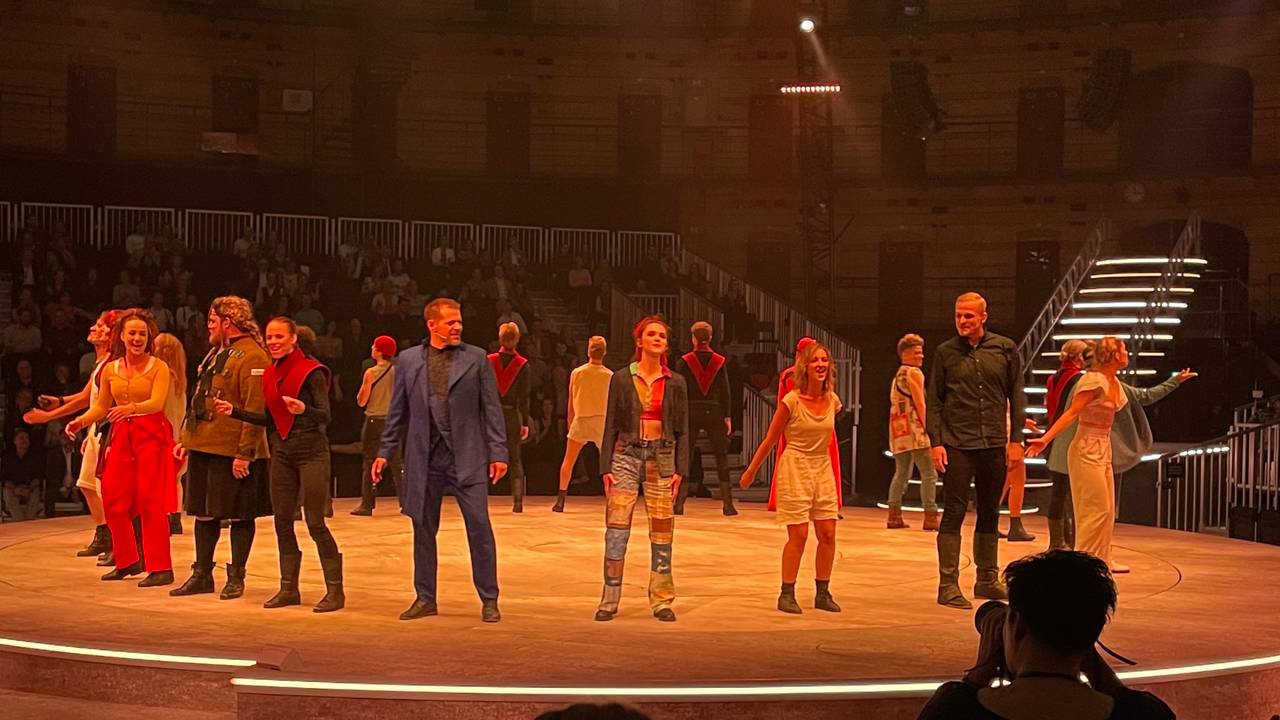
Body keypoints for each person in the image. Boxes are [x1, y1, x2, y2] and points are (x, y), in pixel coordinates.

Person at [373, 297, 508, 623]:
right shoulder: (407, 361)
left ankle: (489, 599)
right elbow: (397, 412)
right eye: (450, 322)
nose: (457, 326)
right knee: (422, 529)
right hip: (425, 458)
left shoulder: (476, 359)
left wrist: (498, 452)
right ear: (431, 325)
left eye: (459, 321)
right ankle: (425, 597)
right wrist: (384, 452)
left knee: (479, 528)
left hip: (468, 457)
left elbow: (492, 408)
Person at [917, 550, 1174, 720]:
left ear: (1016, 625)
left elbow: (951, 708)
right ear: (1092, 635)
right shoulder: (1143, 715)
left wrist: (978, 673)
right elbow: (1137, 708)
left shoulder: (955, 710)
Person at [213, 317, 344, 613]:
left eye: (278, 337)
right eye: (269, 337)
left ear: (293, 339)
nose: (272, 342)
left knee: (314, 523)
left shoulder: (312, 372)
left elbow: (325, 416)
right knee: (282, 521)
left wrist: (304, 409)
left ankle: (335, 592)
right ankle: (289, 589)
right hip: (282, 452)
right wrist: (234, 411)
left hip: (311, 451)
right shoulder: (270, 373)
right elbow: (270, 419)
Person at [169, 297, 273, 601]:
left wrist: (245, 453)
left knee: (241, 515)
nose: (208, 328)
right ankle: (202, 574)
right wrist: (187, 441)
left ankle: (236, 576)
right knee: (202, 513)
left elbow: (254, 407)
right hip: (205, 445)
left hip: (232, 451)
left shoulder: (253, 356)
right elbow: (201, 398)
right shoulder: (219, 352)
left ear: (227, 322)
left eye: (212, 322)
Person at [65, 309, 177, 587]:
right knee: (113, 500)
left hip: (151, 435)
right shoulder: (111, 369)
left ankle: (161, 567)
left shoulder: (159, 367)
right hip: (121, 437)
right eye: (132, 333)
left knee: (152, 503)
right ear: (122, 337)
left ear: (149, 336)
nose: (137, 338)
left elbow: (156, 403)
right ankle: (128, 560)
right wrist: (80, 422)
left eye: (142, 333)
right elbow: (101, 406)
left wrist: (130, 408)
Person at [927, 292, 1025, 610]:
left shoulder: (1005, 348)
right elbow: (935, 401)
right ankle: (948, 584)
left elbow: (1017, 395)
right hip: (957, 444)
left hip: (994, 443)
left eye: (969, 316)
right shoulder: (945, 353)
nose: (962, 321)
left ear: (983, 317)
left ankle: (986, 579)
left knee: (990, 511)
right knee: (954, 512)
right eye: (958, 315)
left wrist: (1015, 440)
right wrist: (936, 442)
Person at [595, 316, 689, 623]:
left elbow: (684, 429)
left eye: (662, 335)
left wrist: (680, 469)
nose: (658, 338)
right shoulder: (622, 378)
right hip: (625, 455)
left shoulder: (675, 381)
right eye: (651, 334)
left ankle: (661, 600)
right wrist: (605, 465)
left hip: (662, 456)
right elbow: (610, 422)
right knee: (617, 531)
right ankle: (610, 599)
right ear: (640, 341)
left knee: (662, 532)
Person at [741, 340, 842, 615]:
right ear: (805, 367)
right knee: (799, 534)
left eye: (824, 360)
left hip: (822, 467)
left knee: (828, 533)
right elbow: (771, 438)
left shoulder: (833, 400)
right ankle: (787, 592)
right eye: (815, 360)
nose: (820, 364)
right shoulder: (792, 400)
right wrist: (751, 471)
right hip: (795, 466)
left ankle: (823, 591)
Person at [22, 310, 118, 560]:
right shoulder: (100, 362)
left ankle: (118, 542)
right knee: (87, 485)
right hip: (96, 427)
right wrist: (60, 401)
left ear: (111, 335)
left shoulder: (112, 363)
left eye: (100, 326)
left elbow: (95, 402)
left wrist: (48, 416)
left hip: (107, 428)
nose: (94, 329)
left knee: (104, 489)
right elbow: (88, 396)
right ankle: (103, 533)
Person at [771, 337, 843, 511]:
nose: (820, 363)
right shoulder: (791, 376)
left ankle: (822, 504)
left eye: (823, 359)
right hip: (800, 428)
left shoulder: (793, 375)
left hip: (815, 426)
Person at [673, 321, 736, 516]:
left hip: (690, 411)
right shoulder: (720, 361)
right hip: (714, 411)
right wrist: (727, 416)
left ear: (693, 338)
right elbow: (725, 391)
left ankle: (679, 504)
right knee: (721, 455)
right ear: (710, 337)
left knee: (686, 456)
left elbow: (678, 390)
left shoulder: (684, 361)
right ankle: (728, 505)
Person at [553, 336, 612, 513]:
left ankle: (560, 500)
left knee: (568, 460)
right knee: (608, 464)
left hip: (582, 418)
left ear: (588, 351)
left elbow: (571, 401)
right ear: (605, 352)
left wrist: (571, 422)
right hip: (601, 420)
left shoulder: (577, 372)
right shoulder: (610, 375)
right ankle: (612, 501)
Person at [886, 333, 939, 531]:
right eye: (918, 352)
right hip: (915, 430)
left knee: (901, 473)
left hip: (899, 431)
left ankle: (894, 515)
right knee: (929, 474)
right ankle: (931, 516)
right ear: (906, 354)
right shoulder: (914, 373)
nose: (922, 356)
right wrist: (931, 430)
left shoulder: (898, 374)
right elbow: (920, 404)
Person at [1041, 339, 1088, 550]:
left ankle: (1057, 541)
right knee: (1072, 494)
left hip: (1052, 435)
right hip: (1069, 439)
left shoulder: (1053, 377)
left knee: (1058, 492)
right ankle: (1068, 541)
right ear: (1078, 357)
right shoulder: (1080, 380)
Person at [351, 335, 400, 516]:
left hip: (373, 420)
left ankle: (367, 504)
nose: (372, 348)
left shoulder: (371, 372)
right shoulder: (398, 371)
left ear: (379, 351)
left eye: (374, 346)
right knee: (397, 463)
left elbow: (361, 401)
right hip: (393, 421)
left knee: (370, 462)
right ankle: (407, 502)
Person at [488, 322, 530, 513]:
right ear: (517, 339)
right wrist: (525, 422)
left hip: (491, 415)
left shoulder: (488, 361)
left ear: (500, 337)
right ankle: (518, 502)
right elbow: (524, 397)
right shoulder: (523, 365)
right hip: (512, 414)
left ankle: (478, 498)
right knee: (515, 459)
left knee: (483, 456)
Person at [153, 333, 188, 536]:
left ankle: (165, 517)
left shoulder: (163, 376)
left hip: (163, 433)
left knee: (161, 480)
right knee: (175, 480)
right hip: (178, 434)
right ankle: (174, 518)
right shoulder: (180, 380)